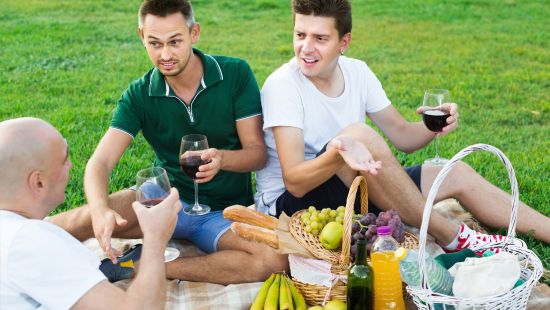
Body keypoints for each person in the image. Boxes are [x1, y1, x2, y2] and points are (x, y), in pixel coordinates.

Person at [255, 0, 550, 253]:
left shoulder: (358, 72)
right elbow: (294, 180)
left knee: (453, 172)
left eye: (320, 38)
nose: (306, 48)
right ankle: (451, 236)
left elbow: (403, 137)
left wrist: (432, 124)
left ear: (344, 42)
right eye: (300, 34)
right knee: (357, 135)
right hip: (293, 207)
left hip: (354, 187)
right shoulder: (283, 86)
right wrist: (341, 152)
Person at [49, 0, 287, 284]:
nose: (165, 54)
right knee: (81, 219)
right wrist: (101, 212)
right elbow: (99, 162)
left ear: (194, 33)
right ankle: (13, 238)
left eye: (175, 42)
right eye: (155, 43)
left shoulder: (234, 74)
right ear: (142, 37)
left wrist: (222, 159)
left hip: (222, 213)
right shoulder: (139, 94)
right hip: (162, 201)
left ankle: (144, 267)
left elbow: (257, 154)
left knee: (275, 261)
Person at [0, 117, 182, 309]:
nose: (70, 165)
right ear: (39, 182)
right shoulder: (29, 241)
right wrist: (155, 237)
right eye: (64, 160)